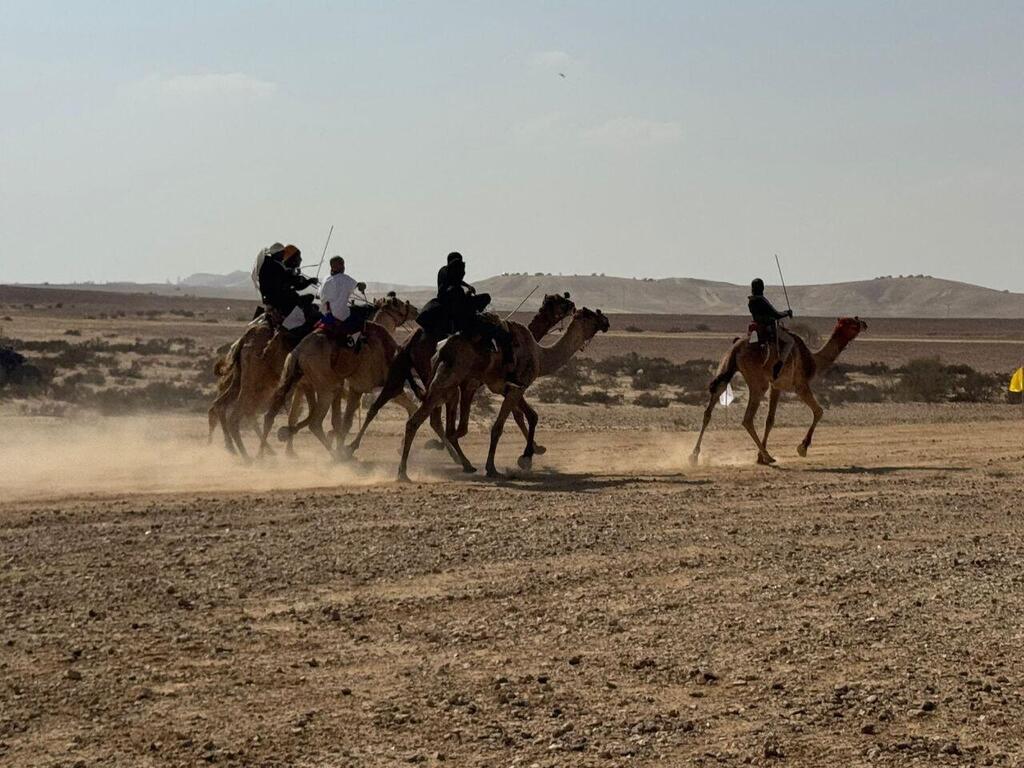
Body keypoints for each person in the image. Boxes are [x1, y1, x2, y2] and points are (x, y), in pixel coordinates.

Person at [418, 252, 517, 380]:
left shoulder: (444, 274)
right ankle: (509, 373)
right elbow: (463, 305)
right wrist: (472, 298)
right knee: (503, 335)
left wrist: (466, 287)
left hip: (448, 309)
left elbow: (455, 282)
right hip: (464, 320)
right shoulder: (455, 290)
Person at [255, 243, 319, 331]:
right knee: (309, 299)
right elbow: (294, 282)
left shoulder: (269, 265)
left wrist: (301, 278)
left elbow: (293, 281)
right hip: (281, 301)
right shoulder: (277, 267)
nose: (300, 260)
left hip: (274, 300)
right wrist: (308, 280)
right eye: (298, 257)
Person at [748, 277, 794, 380]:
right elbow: (776, 314)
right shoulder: (762, 300)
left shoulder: (751, 301)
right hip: (768, 328)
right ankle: (779, 365)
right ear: (762, 288)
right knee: (790, 341)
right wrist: (787, 312)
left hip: (758, 327)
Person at [318, 256, 369, 343]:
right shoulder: (344, 278)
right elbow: (359, 286)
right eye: (341, 264)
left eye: (343, 264)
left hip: (325, 313)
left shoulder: (325, 279)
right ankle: (355, 340)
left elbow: (319, 294)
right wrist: (363, 285)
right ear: (334, 266)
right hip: (339, 314)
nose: (343, 267)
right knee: (363, 311)